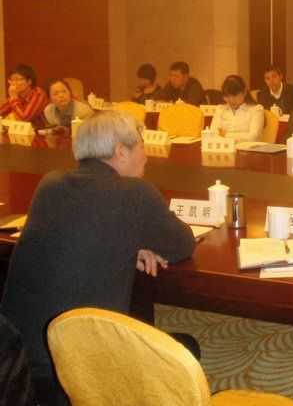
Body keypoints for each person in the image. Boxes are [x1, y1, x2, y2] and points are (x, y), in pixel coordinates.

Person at [0, 111, 196, 405]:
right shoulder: (136, 193)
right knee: (187, 348)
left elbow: (83, 231)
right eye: (141, 145)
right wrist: (140, 241)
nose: (146, 155)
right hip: (79, 373)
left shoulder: (50, 184)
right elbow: (182, 244)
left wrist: (133, 241)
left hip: (17, 363)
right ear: (120, 151)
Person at [209, 75, 264, 142]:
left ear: (244, 92)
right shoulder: (220, 109)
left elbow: (253, 137)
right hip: (225, 147)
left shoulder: (256, 110)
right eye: (227, 96)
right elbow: (213, 133)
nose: (231, 100)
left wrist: (226, 135)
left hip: (248, 148)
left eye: (234, 96)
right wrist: (242, 136)